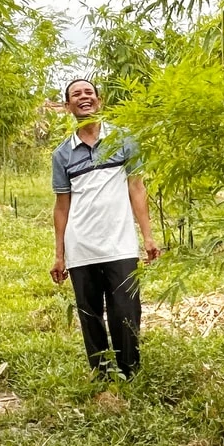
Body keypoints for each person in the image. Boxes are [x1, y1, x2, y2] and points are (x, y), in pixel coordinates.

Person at [50, 77, 158, 379]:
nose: (84, 97)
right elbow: (62, 206)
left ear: (100, 99)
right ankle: (101, 374)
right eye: (76, 94)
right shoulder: (62, 154)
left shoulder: (123, 139)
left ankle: (130, 372)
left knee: (126, 311)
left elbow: (136, 187)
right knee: (90, 314)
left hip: (120, 243)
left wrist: (148, 237)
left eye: (89, 92)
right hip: (80, 246)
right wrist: (59, 254)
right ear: (69, 106)